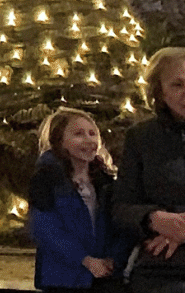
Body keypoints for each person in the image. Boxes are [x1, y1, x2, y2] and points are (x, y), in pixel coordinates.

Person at [112, 46, 185, 293]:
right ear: (160, 96)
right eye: (177, 85)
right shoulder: (140, 139)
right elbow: (120, 207)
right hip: (158, 267)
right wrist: (153, 219)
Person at [31, 107, 124, 293]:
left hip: (103, 278)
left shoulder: (104, 181)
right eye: (79, 134)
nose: (89, 140)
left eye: (92, 133)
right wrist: (84, 260)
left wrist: (113, 259)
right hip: (62, 278)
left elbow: (119, 224)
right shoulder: (47, 179)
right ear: (60, 140)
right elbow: (45, 228)